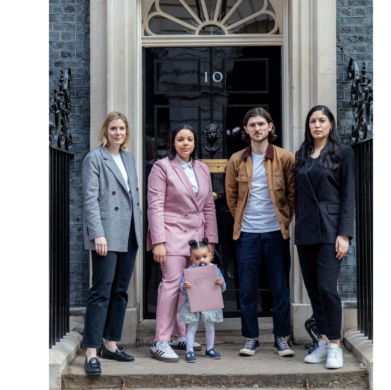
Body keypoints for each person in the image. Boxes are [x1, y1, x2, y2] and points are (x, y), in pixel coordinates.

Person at [225, 108, 296, 357]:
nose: (257, 129)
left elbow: (292, 196)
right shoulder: (236, 160)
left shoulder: (285, 157)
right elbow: (231, 198)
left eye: (261, 124)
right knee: (246, 289)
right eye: (252, 125)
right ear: (246, 130)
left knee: (279, 289)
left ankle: (281, 337)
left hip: (276, 233)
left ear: (270, 127)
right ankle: (251, 338)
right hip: (246, 235)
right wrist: (244, 223)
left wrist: (284, 221)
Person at [147, 124, 219, 363]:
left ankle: (179, 334)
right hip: (171, 234)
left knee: (189, 288)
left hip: (197, 241)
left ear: (195, 142)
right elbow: (155, 206)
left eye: (189, 139)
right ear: (173, 142)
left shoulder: (201, 168)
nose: (185, 143)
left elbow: (208, 206)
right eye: (180, 139)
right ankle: (160, 340)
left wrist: (212, 241)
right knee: (171, 285)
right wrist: (158, 241)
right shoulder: (162, 167)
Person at [292, 106, 355, 369]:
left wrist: (345, 233)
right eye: (312, 121)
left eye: (322, 120)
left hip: (331, 230)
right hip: (306, 229)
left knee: (328, 288)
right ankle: (323, 340)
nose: (317, 125)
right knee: (314, 290)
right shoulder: (302, 154)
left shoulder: (343, 152)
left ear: (331, 124)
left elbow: (349, 195)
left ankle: (335, 345)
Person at [81, 112, 143, 376]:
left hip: (129, 232)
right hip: (107, 233)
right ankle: (91, 351)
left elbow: (134, 198)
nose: (118, 132)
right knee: (101, 291)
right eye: (113, 128)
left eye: (122, 128)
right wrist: (98, 234)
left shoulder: (129, 159)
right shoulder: (95, 157)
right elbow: (90, 199)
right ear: (105, 131)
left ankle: (111, 343)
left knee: (120, 291)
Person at [179, 238, 226, 363]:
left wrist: (221, 283)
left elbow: (223, 288)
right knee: (192, 328)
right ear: (192, 259)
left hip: (209, 304)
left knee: (210, 327)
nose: (202, 260)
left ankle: (210, 349)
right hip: (194, 304)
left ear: (210, 256)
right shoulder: (190, 271)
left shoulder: (215, 270)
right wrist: (184, 286)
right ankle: (189, 351)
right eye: (197, 258)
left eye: (204, 256)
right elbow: (182, 285)